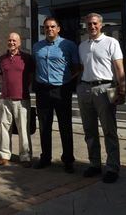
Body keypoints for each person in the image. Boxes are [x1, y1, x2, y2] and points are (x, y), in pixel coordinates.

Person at [77, 13, 126, 184]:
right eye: (89, 24)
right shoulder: (82, 46)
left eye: (95, 23)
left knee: (109, 130)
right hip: (85, 89)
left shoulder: (111, 42)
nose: (92, 26)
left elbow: (119, 67)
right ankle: (94, 164)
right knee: (89, 131)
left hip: (105, 89)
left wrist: (122, 89)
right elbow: (83, 67)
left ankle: (112, 167)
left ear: (101, 25)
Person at [32, 17, 80, 173]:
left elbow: (77, 67)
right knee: (44, 126)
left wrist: (66, 79)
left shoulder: (69, 45)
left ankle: (68, 160)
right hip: (43, 90)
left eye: (52, 26)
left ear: (58, 28)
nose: (49, 29)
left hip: (61, 89)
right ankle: (45, 158)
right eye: (46, 27)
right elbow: (34, 67)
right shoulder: (37, 47)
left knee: (65, 126)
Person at [0, 32, 35, 167]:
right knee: (4, 127)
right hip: (5, 98)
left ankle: (25, 157)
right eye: (9, 40)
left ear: (19, 43)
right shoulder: (2, 59)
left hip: (22, 98)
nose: (11, 42)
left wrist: (23, 89)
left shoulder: (27, 58)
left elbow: (30, 77)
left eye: (14, 40)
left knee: (23, 128)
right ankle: (4, 155)